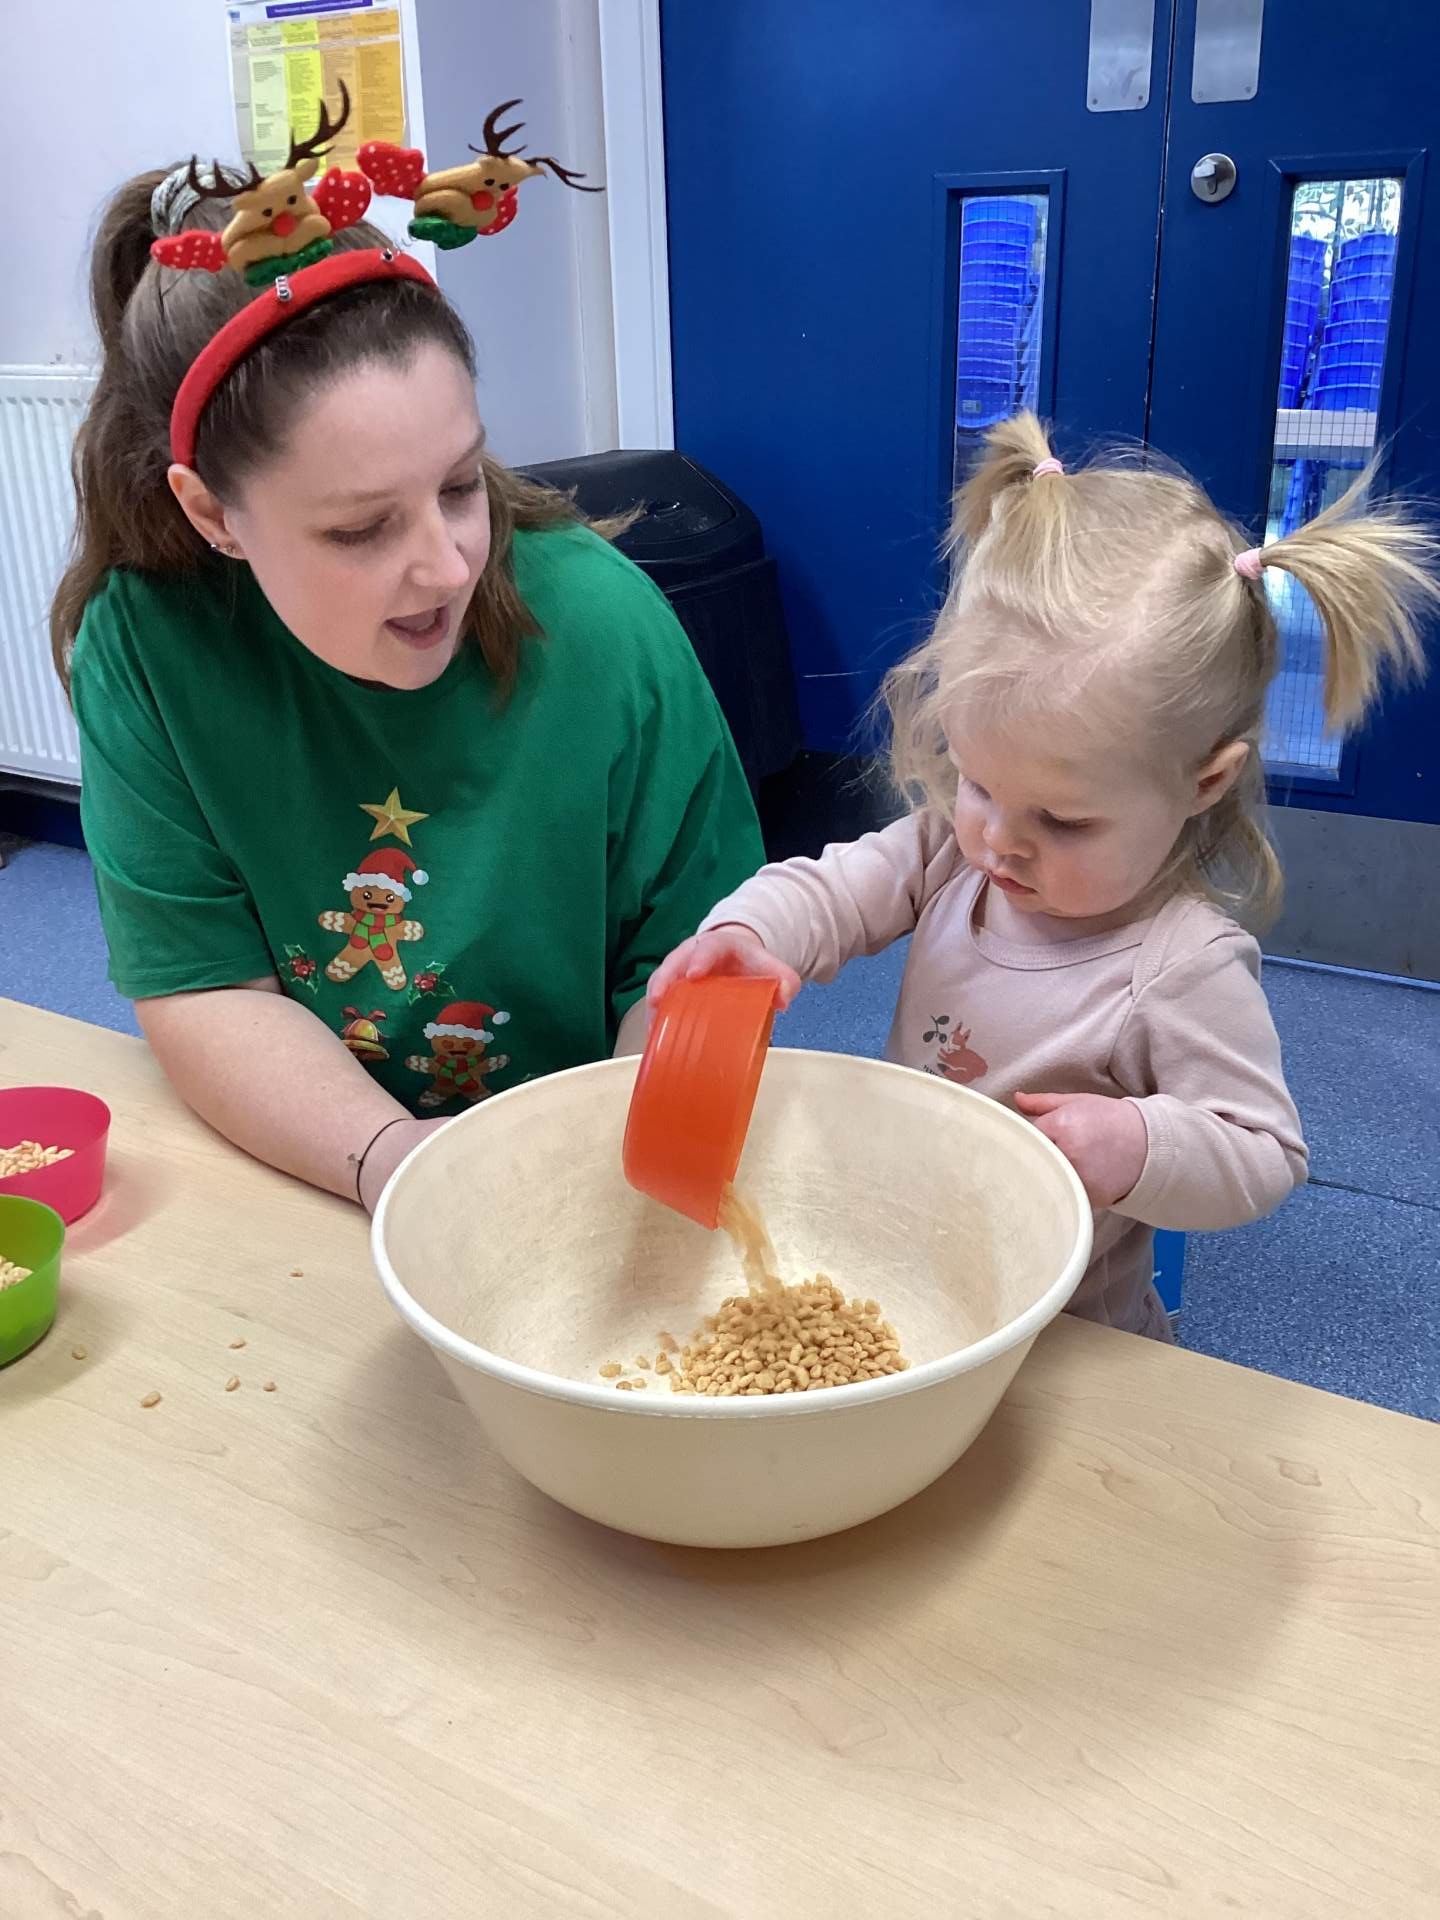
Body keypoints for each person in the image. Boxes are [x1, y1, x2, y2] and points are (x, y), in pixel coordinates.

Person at [53, 159, 762, 1211]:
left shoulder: (606, 628)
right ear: (211, 514)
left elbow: (702, 973)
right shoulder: (147, 644)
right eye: (360, 529)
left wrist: (630, 1172)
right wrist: (394, 1160)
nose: (447, 566)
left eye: (461, 484)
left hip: (592, 1156)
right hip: (317, 1164)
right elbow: (203, 984)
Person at [649, 413, 1440, 1337]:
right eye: (977, 782)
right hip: (912, 1285)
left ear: (1203, 781)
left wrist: (1138, 1145)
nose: (1000, 842)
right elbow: (829, 890)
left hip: (1069, 1331)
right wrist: (752, 934)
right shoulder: (951, 850)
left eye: (1061, 821)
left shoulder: (1181, 964)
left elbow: (1263, 1152)